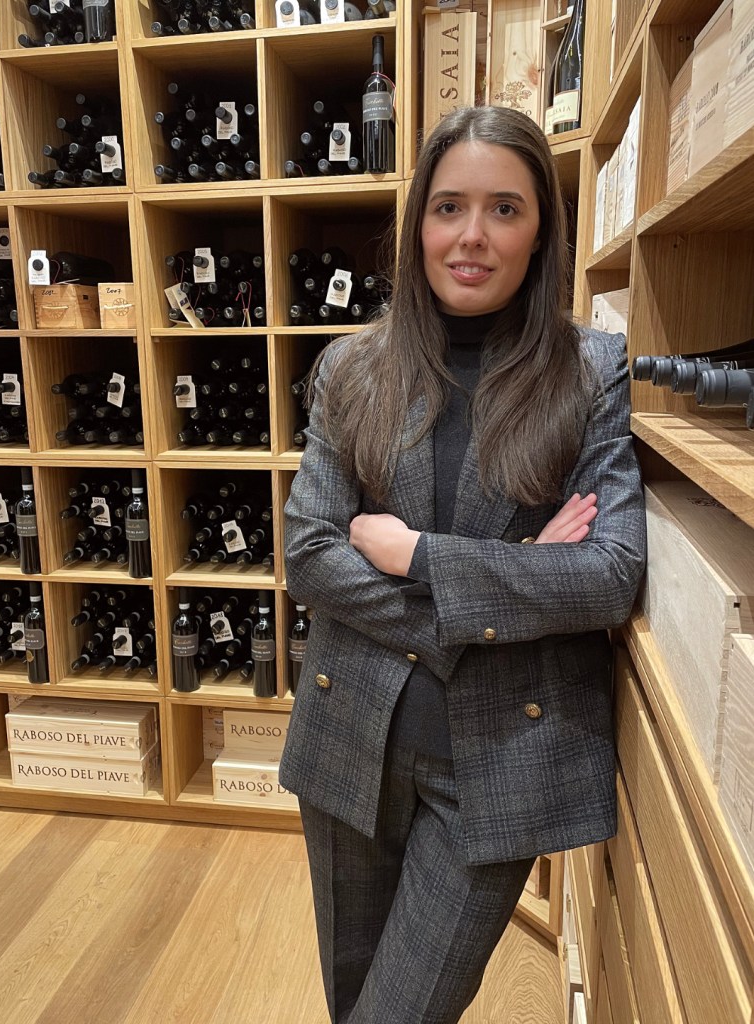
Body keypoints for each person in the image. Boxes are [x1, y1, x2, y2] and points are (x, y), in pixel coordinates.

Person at [279, 105, 646, 1024]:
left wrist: (417, 555)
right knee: (354, 1003)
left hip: (503, 761)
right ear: (419, 225)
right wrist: (513, 576)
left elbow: (610, 574)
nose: (472, 236)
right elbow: (310, 554)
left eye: (504, 209)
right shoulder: (352, 368)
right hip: (349, 739)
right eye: (449, 207)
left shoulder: (590, 369)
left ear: (540, 232)